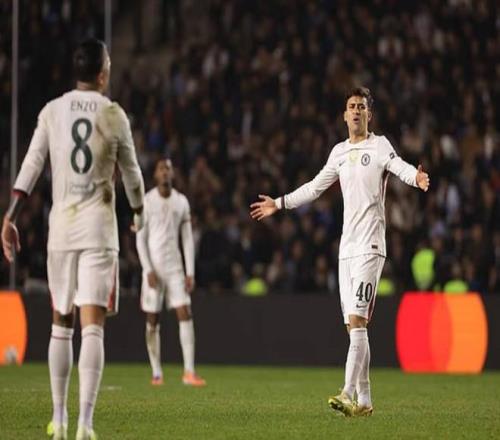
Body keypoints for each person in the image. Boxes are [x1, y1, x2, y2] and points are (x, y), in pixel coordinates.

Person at [250, 87, 429, 417]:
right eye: (352, 106)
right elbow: (315, 187)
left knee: (358, 321)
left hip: (371, 247)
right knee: (354, 328)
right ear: (345, 116)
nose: (357, 110)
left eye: (361, 106)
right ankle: (365, 400)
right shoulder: (339, 152)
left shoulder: (380, 145)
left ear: (369, 115)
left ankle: (347, 393)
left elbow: (399, 166)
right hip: (346, 250)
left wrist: (415, 177)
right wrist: (279, 203)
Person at [1, 38, 145, 440]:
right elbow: (132, 174)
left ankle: (59, 420)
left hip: (62, 230)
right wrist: (138, 213)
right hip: (98, 229)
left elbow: (32, 164)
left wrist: (10, 217)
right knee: (92, 326)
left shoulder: (52, 110)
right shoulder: (114, 114)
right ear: (102, 74)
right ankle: (85, 425)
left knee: (60, 323)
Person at [136, 158, 206, 387]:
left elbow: (187, 239)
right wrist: (147, 269)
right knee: (152, 318)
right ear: (155, 175)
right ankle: (157, 372)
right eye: (161, 169)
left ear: (173, 174)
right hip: (154, 268)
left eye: (168, 169)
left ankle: (189, 372)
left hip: (174, 266)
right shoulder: (147, 201)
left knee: (185, 312)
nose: (165, 172)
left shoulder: (181, 202)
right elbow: (140, 239)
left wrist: (190, 271)